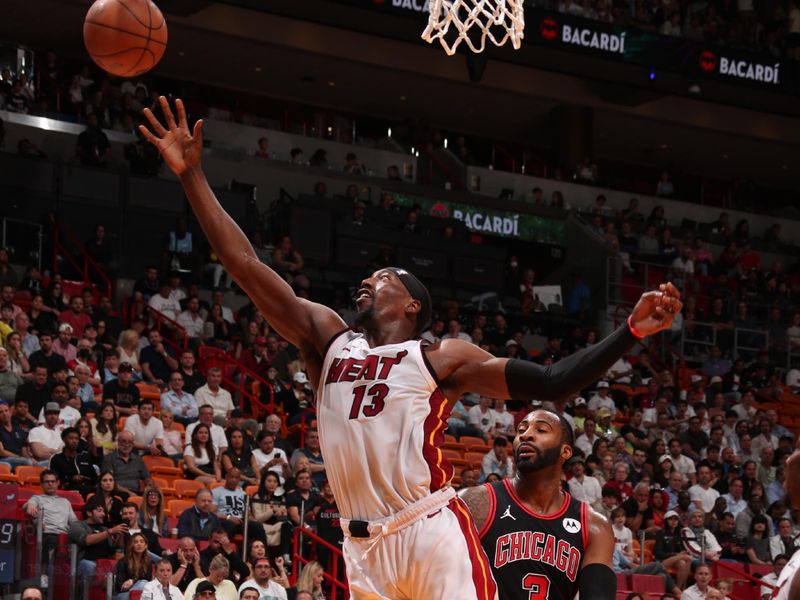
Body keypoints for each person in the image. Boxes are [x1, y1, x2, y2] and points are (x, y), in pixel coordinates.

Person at [140, 97, 681, 600]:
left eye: (383, 278)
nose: (368, 283)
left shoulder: (440, 357)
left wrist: (628, 332)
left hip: (427, 531)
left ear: (412, 306)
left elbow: (554, 382)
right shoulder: (326, 337)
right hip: (363, 549)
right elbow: (246, 266)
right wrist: (192, 177)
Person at [461, 409, 614, 600]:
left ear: (565, 451)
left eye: (541, 430)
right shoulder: (475, 503)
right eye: (521, 430)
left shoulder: (594, 526)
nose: (525, 435)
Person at [24, 469, 79, 567]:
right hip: (48, 533)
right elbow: (29, 505)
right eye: (47, 482)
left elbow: (74, 522)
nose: (50, 484)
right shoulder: (37, 498)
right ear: (41, 484)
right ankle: (46, 575)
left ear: (58, 483)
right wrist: (30, 505)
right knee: (51, 539)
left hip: (65, 535)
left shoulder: (65, 502)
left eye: (52, 481)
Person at [69, 498, 126, 590]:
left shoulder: (104, 528)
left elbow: (115, 549)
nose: (103, 514)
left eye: (104, 511)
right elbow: (86, 540)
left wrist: (121, 535)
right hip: (86, 562)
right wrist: (110, 531)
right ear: (89, 513)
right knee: (89, 565)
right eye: (99, 511)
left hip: (105, 564)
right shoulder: (77, 525)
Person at [49, 426, 97, 497]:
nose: (74, 441)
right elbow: (55, 480)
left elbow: (94, 478)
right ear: (64, 440)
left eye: (77, 439)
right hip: (68, 491)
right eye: (71, 438)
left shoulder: (85, 456)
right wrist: (71, 479)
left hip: (88, 490)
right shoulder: (57, 458)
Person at [102, 430, 151, 496]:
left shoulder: (138, 459)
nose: (126, 445)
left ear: (133, 444)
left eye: (130, 442)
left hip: (135, 492)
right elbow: (109, 482)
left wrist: (149, 486)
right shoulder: (109, 458)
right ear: (118, 442)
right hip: (117, 492)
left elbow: (147, 478)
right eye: (123, 441)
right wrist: (128, 493)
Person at [113, 532, 154, 600]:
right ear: (132, 545)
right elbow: (121, 586)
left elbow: (148, 582)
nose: (139, 544)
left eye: (141, 541)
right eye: (135, 542)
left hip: (141, 594)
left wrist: (133, 581)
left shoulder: (148, 562)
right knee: (143, 584)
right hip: (122, 595)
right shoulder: (123, 561)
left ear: (146, 545)